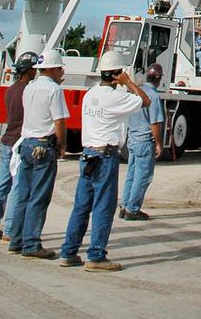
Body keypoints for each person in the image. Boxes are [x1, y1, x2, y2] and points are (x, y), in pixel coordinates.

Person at [59, 48, 149, 272]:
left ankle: (69, 252)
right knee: (103, 207)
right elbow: (145, 101)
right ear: (118, 74)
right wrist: (129, 82)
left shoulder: (91, 95)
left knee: (81, 206)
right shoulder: (118, 97)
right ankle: (96, 256)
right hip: (105, 156)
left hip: (87, 154)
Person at [7, 47, 69, 259]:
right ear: (51, 69)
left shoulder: (29, 88)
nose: (62, 72)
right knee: (39, 198)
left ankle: (15, 240)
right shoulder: (54, 90)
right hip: (44, 146)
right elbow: (59, 120)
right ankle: (31, 244)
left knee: (23, 195)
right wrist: (62, 144)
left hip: (26, 144)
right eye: (60, 68)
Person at [0, 51, 38, 241]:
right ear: (29, 70)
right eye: (34, 69)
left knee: (1, 185)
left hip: (6, 141)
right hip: (19, 143)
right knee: (18, 186)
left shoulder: (11, 90)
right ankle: (10, 230)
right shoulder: (29, 91)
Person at [119, 61, 164, 221]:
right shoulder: (153, 96)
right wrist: (159, 143)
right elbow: (155, 122)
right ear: (158, 78)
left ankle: (124, 206)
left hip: (132, 139)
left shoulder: (137, 92)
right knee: (143, 176)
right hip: (144, 140)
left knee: (131, 173)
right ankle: (133, 209)